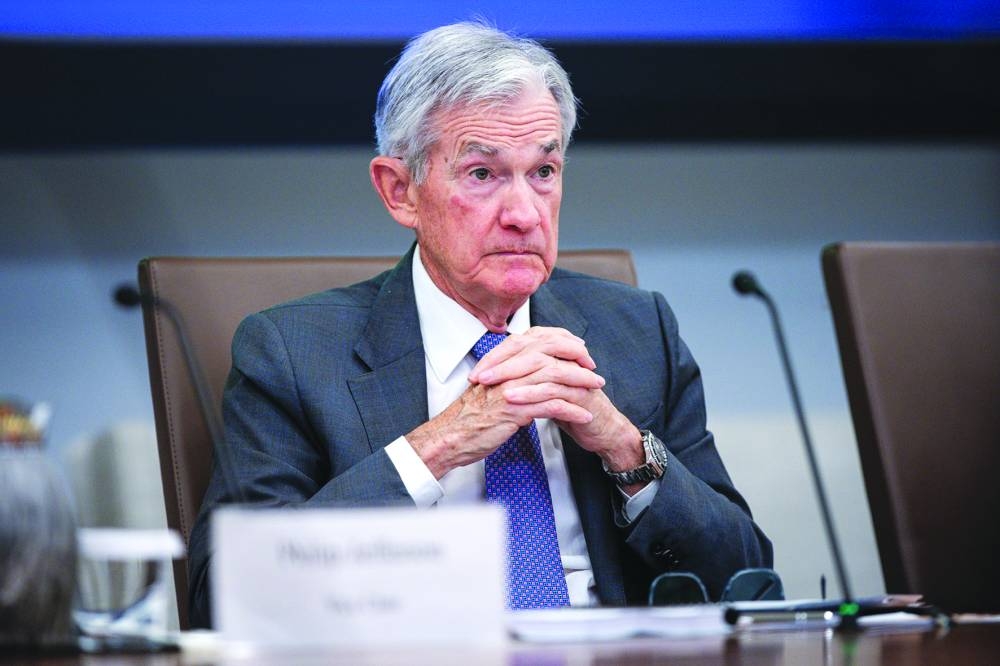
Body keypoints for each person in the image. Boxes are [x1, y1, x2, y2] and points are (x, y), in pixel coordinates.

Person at [187, 21, 771, 627]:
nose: (524, 214)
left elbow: (747, 581)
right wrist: (440, 444)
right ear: (400, 191)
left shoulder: (637, 332)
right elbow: (226, 599)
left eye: (543, 172)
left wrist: (624, 447)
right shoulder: (292, 353)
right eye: (482, 174)